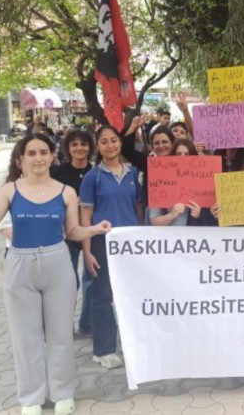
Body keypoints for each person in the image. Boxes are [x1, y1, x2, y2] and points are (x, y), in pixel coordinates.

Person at [0, 133, 110, 415]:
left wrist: (94, 229)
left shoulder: (66, 192)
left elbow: (72, 231)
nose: (38, 158)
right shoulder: (10, 190)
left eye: (43, 152)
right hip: (19, 265)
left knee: (60, 334)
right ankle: (31, 396)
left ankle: (63, 392)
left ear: (52, 156)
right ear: (21, 159)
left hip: (57, 264)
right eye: (31, 153)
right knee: (25, 337)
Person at [80, 126, 142, 369]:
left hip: (130, 243)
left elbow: (138, 208)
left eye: (114, 140)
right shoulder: (92, 177)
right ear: (98, 146)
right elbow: (86, 217)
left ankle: (130, 344)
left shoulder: (133, 173)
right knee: (102, 296)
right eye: (104, 142)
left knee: (130, 294)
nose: (110, 146)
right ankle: (104, 349)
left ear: (120, 143)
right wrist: (87, 251)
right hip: (102, 242)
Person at [50, 129, 95, 335]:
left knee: (92, 279)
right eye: (74, 144)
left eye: (83, 144)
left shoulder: (95, 172)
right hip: (65, 233)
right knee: (68, 282)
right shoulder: (57, 174)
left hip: (90, 232)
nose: (79, 148)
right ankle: (64, 327)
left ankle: (87, 324)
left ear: (90, 147)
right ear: (67, 148)